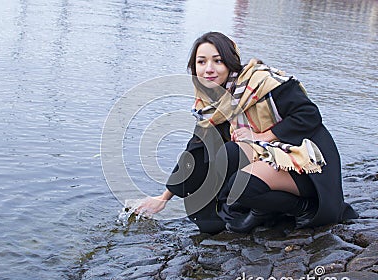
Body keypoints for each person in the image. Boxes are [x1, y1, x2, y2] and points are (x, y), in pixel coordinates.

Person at [137, 31, 358, 234]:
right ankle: (266, 209)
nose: (209, 69)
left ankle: (304, 208)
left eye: (218, 60)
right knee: (227, 155)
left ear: (231, 61)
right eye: (201, 62)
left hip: (308, 163)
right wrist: (164, 197)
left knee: (240, 186)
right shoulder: (213, 103)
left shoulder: (263, 82)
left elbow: (309, 115)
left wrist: (263, 136)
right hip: (270, 158)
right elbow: (195, 150)